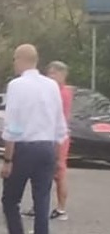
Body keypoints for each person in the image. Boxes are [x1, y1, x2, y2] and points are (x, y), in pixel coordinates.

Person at [0, 44, 68, 234]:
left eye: (14, 59)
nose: (13, 64)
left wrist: (7, 159)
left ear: (21, 59)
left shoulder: (16, 86)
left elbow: (13, 124)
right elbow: (59, 122)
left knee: (10, 200)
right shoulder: (51, 86)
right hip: (47, 147)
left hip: (24, 148)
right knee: (42, 204)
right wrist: (57, 154)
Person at [47, 60, 73, 220]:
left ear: (62, 74)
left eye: (54, 73)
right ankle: (40, 205)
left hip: (58, 137)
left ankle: (61, 209)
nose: (50, 76)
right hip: (53, 135)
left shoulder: (62, 93)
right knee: (45, 172)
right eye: (49, 73)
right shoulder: (56, 91)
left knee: (59, 172)